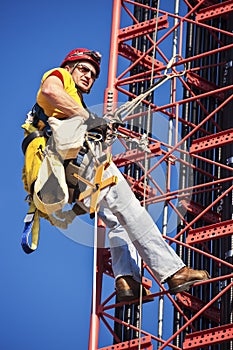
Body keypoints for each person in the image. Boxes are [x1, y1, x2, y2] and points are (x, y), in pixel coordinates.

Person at [31, 48, 210, 300]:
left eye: (93, 75)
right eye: (83, 69)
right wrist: (89, 117)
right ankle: (173, 272)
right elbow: (50, 90)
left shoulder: (73, 104)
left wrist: (97, 125)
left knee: (115, 218)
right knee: (132, 210)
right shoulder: (59, 76)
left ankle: (126, 279)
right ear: (69, 68)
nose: (88, 76)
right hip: (80, 162)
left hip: (69, 171)